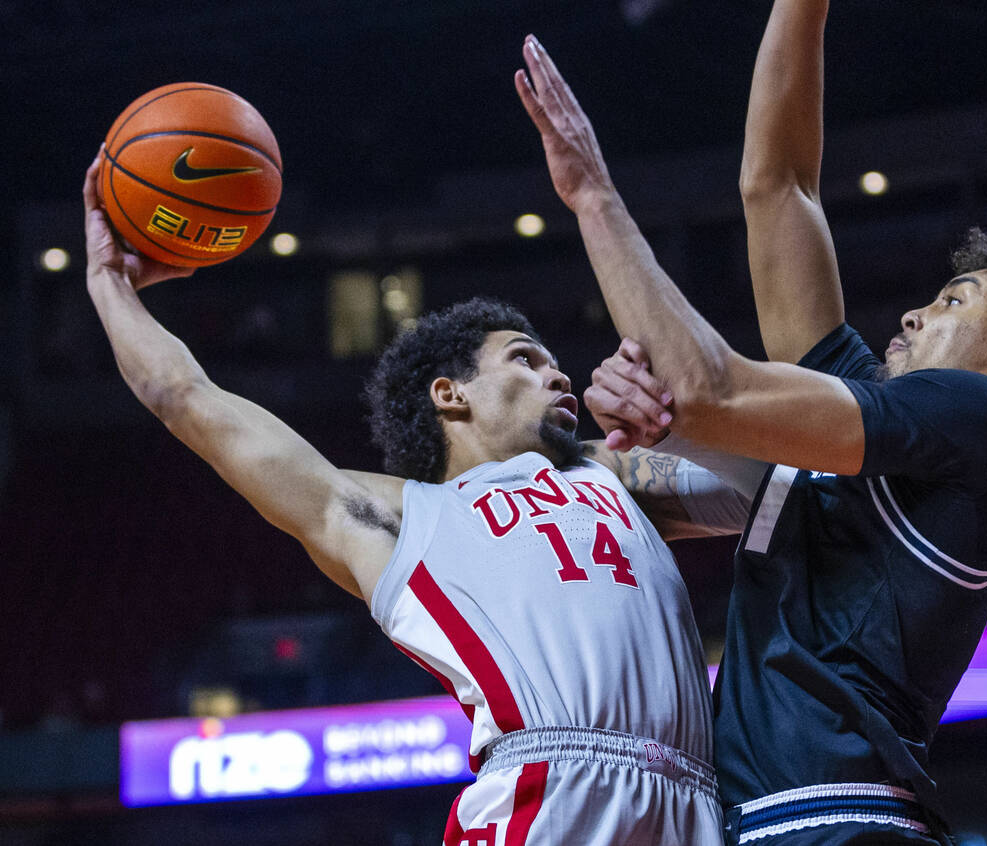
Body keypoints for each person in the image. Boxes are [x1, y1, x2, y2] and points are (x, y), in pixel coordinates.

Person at [515, 8, 987, 842]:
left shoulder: (983, 422)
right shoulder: (872, 420)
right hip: (777, 822)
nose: (915, 312)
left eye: (954, 301)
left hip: (840, 820)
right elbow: (779, 188)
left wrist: (594, 198)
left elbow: (710, 386)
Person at [82, 149, 743, 845]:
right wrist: (106, 282)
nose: (560, 375)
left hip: (695, 800)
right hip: (548, 793)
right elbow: (187, 398)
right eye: (525, 358)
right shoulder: (402, 517)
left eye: (555, 363)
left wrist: (687, 420)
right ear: (450, 394)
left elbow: (773, 483)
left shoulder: (617, 476)